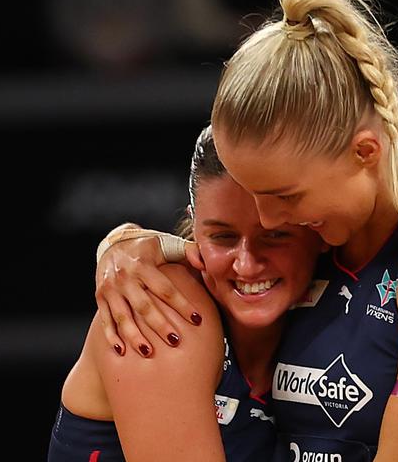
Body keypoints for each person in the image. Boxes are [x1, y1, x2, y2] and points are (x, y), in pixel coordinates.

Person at [93, 0, 398, 461]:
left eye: (284, 196)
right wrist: (133, 248)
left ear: (364, 152)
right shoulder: (326, 234)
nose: (268, 219)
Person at [48, 126, 327, 461]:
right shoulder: (159, 304)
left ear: (316, 226)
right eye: (223, 237)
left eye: (274, 236)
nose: (247, 264)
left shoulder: (347, 298)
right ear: (194, 230)